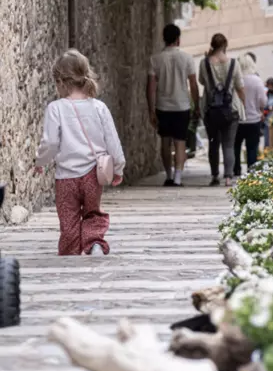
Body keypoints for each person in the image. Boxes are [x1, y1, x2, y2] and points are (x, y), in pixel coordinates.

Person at [34, 49, 125, 256]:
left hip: (66, 177)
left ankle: (70, 252)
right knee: (93, 213)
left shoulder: (55, 108)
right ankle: (94, 244)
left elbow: (50, 142)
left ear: (60, 81)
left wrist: (41, 161)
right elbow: (113, 141)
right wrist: (118, 168)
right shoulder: (99, 107)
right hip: (94, 174)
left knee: (68, 221)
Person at [147, 24, 200, 187]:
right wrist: (196, 105)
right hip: (182, 105)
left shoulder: (155, 59)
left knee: (165, 141)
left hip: (163, 106)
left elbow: (151, 87)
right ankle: (177, 178)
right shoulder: (187, 58)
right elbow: (193, 84)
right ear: (178, 39)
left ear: (164, 38)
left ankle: (168, 176)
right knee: (180, 142)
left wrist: (151, 110)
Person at [198, 33, 245, 187]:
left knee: (213, 143)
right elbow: (239, 87)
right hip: (231, 109)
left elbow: (202, 81)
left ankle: (214, 176)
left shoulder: (204, 63)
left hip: (210, 109)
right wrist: (243, 103)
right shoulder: (234, 63)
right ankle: (228, 177)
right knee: (229, 144)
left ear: (212, 45)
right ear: (225, 45)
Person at [235, 54, 267, 175]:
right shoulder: (256, 80)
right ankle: (251, 171)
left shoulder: (235, 79)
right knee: (252, 148)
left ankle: (236, 170)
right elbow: (263, 101)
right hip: (253, 119)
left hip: (237, 120)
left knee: (235, 147)